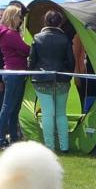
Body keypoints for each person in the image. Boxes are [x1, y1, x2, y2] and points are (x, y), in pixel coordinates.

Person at [28, 10, 75, 152]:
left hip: (41, 80)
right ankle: (64, 146)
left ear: (45, 21)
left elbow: (31, 61)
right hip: (62, 80)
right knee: (61, 113)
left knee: (48, 113)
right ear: (60, 22)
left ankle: (50, 147)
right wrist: (67, 75)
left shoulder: (37, 38)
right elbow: (71, 61)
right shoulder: (66, 39)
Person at [0, 5, 30, 151]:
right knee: (8, 107)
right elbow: (26, 49)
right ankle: (0, 140)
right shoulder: (10, 34)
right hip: (13, 73)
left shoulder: (9, 33)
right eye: (18, 16)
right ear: (12, 17)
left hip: (15, 72)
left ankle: (13, 137)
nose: (20, 19)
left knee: (14, 107)